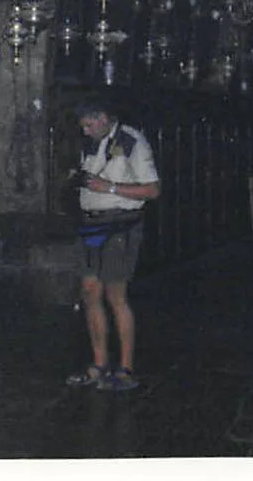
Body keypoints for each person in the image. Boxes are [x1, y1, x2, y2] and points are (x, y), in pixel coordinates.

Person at [65, 99, 160, 393]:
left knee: (115, 294)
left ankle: (126, 369)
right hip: (90, 224)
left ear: (104, 118)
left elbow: (153, 190)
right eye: (83, 126)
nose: (87, 130)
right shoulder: (89, 143)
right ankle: (98, 365)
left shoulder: (132, 141)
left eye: (91, 124)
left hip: (121, 226)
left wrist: (110, 188)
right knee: (90, 292)